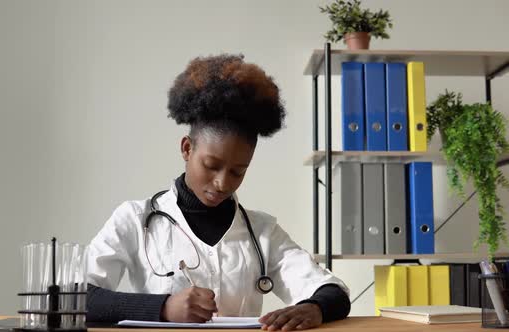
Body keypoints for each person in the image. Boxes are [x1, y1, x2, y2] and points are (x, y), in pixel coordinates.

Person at [86, 54, 350, 331]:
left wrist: (315, 307)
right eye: (211, 166)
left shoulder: (263, 231)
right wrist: (162, 308)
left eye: (238, 171)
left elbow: (333, 291)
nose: (223, 183)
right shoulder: (134, 219)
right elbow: (79, 297)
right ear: (187, 149)